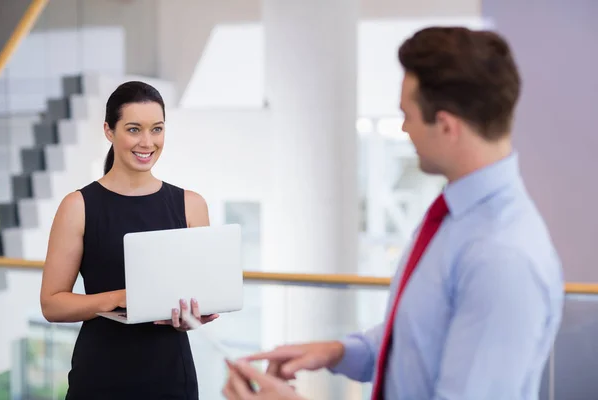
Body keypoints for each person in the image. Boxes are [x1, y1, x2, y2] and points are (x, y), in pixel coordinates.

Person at [223, 26, 564, 400]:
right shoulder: (456, 216)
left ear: (447, 126)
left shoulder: (502, 258)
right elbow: (421, 339)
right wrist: (339, 352)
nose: (404, 128)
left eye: (408, 115)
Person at [39, 81, 218, 399]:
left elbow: (194, 296)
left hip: (172, 378)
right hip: (101, 376)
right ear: (109, 131)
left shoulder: (191, 205)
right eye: (134, 129)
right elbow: (52, 304)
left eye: (157, 129)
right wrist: (122, 297)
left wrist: (191, 317)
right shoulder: (78, 206)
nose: (147, 142)